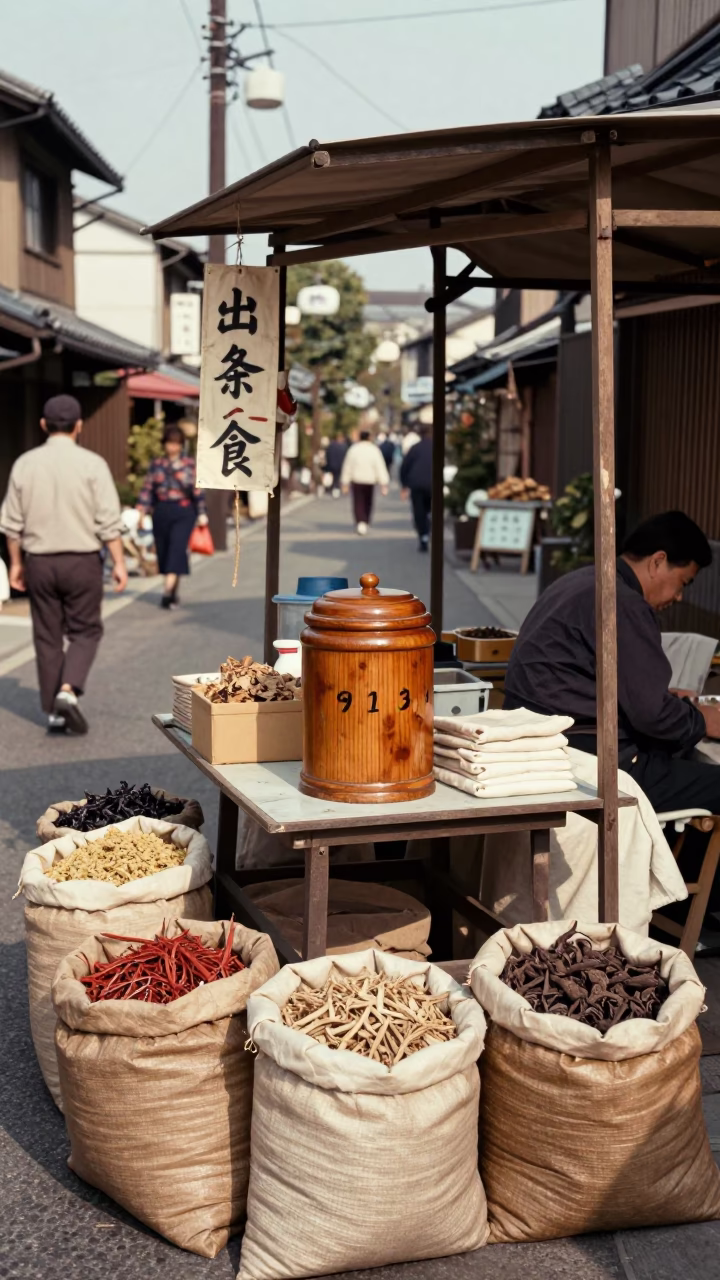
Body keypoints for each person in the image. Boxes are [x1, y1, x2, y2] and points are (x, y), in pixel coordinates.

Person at [504, 511, 720, 815]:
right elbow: (652, 714)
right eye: (682, 582)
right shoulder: (623, 602)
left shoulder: (581, 580)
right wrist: (702, 719)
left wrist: (673, 702)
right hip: (583, 758)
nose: (680, 596)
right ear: (658, 561)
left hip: (539, 743)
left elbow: (618, 687)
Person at [0, 393, 128, 734]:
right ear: (79, 426)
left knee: (47, 635)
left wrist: (15, 564)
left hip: (39, 561)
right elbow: (108, 521)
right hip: (82, 560)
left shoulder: (25, 463)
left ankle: (53, 711)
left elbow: (11, 523)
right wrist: (119, 562)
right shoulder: (93, 464)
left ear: (44, 425)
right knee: (86, 630)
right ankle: (68, 691)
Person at [136, 425, 207, 609]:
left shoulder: (189, 464)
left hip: (183, 511)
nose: (172, 447)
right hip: (161, 511)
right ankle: (173, 589)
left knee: (177, 547)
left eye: (176, 444)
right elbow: (147, 490)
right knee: (165, 550)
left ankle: (167, 592)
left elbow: (197, 491)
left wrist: (201, 513)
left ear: (181, 445)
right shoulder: (157, 464)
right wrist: (141, 512)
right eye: (169, 443)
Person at [340, 431, 390, 535]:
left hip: (357, 479)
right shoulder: (374, 450)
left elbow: (347, 466)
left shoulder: (353, 449)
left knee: (358, 502)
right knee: (368, 502)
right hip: (369, 480)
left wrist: (345, 482)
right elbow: (379, 467)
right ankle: (365, 521)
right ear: (369, 438)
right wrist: (383, 483)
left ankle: (360, 522)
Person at [400, 425, 432, 551]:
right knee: (430, 509)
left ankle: (423, 535)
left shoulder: (415, 448)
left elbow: (404, 467)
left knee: (419, 511)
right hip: (433, 484)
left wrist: (404, 485)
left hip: (417, 483)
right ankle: (428, 529)